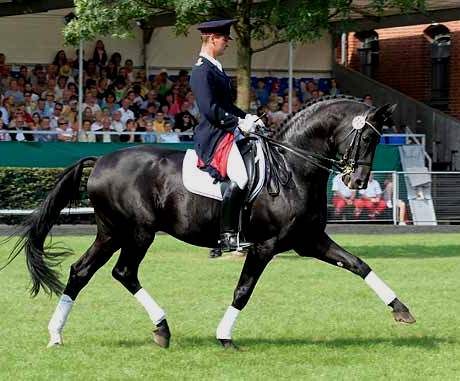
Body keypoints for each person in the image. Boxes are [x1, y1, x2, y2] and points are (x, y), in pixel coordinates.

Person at [190, 19, 264, 252]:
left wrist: (249, 117)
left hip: (227, 131)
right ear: (212, 39)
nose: (228, 42)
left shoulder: (216, 67)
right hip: (214, 137)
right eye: (224, 38)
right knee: (241, 178)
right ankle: (228, 236)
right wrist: (238, 123)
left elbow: (227, 105)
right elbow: (210, 110)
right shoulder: (201, 70)